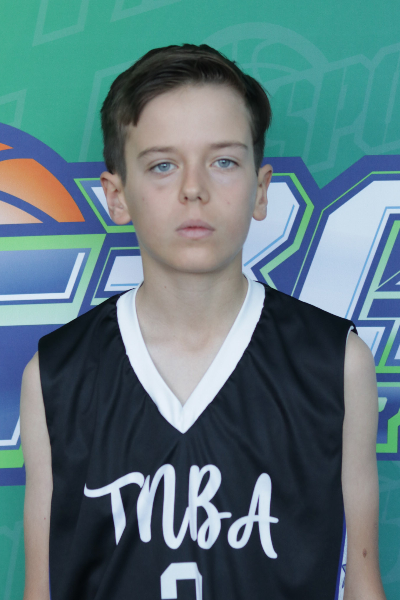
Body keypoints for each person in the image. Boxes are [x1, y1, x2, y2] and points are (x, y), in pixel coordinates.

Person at [20, 44, 386, 600]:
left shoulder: (336, 363)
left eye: (224, 161)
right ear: (117, 196)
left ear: (260, 189)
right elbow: (42, 589)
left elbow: (362, 585)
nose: (194, 189)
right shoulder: (56, 374)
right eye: (162, 165)